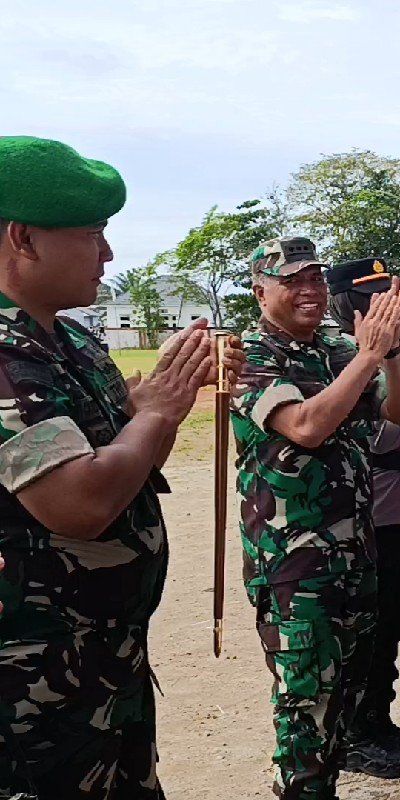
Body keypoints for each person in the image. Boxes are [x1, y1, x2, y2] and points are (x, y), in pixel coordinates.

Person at [0, 136, 243, 799]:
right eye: (92, 233)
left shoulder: (69, 339)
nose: (107, 254)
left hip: (102, 663)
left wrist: (166, 398)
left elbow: (127, 461)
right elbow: (80, 503)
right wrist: (157, 413)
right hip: (32, 689)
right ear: (23, 238)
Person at [232, 237, 400, 796]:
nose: (309, 290)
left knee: (344, 697)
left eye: (316, 278)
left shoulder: (336, 349)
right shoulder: (252, 356)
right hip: (293, 563)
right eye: (293, 281)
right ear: (260, 290)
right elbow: (306, 426)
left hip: (355, 550)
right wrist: (368, 356)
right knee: (304, 704)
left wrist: (387, 353)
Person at [325, 257, 400, 775]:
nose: (391, 305)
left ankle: (377, 719)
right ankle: (354, 733)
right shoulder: (350, 359)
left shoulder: (394, 354)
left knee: (393, 617)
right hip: (376, 505)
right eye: (376, 297)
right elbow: (382, 436)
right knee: (371, 628)